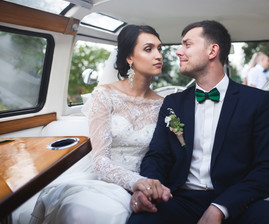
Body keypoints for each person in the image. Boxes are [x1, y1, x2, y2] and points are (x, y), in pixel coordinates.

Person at [127, 20, 269, 224]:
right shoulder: (173, 103)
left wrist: (221, 207)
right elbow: (157, 156)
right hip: (179, 200)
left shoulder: (256, 101)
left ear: (212, 51)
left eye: (187, 44)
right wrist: (149, 187)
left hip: (237, 203)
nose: (178, 52)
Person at [29, 24, 170, 224]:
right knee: (83, 212)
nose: (158, 55)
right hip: (107, 182)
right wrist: (135, 181)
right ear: (130, 58)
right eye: (149, 49)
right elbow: (100, 161)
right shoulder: (105, 96)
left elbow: (163, 156)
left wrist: (148, 184)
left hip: (147, 184)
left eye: (159, 49)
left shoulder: (163, 105)